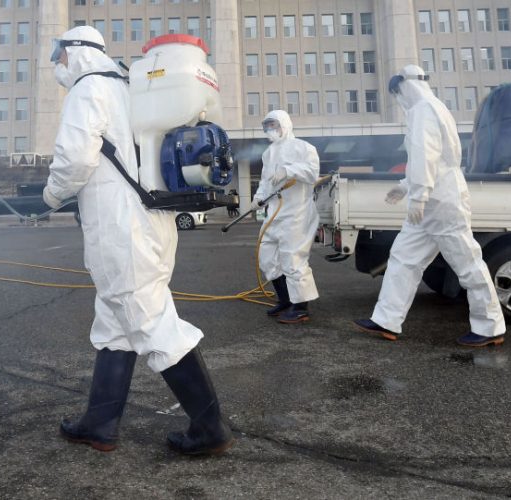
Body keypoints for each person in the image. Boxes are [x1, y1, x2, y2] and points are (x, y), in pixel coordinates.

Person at [42, 26, 234, 455]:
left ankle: (210, 428)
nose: (57, 63)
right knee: (116, 322)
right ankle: (99, 423)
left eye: (59, 54)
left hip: (120, 227)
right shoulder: (131, 86)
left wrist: (51, 195)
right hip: (153, 219)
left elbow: (74, 159)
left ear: (77, 51)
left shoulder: (88, 89)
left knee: (150, 321)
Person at [354, 65, 505, 347]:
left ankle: (490, 326)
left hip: (441, 202)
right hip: (432, 202)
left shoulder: (423, 110)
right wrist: (405, 186)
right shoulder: (433, 108)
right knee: (403, 259)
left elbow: (427, 156)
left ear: (407, 85)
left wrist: (419, 195)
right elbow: (428, 160)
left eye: (398, 92)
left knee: (466, 262)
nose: (398, 98)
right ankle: (386, 320)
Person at [251, 109, 320, 324]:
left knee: (293, 259)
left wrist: (289, 170)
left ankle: (300, 307)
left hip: (296, 213)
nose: (270, 130)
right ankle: (285, 300)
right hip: (274, 213)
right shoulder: (268, 153)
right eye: (267, 126)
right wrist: (258, 197)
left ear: (285, 125)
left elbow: (312, 173)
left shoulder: (304, 148)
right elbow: (265, 181)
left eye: (273, 125)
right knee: (267, 257)